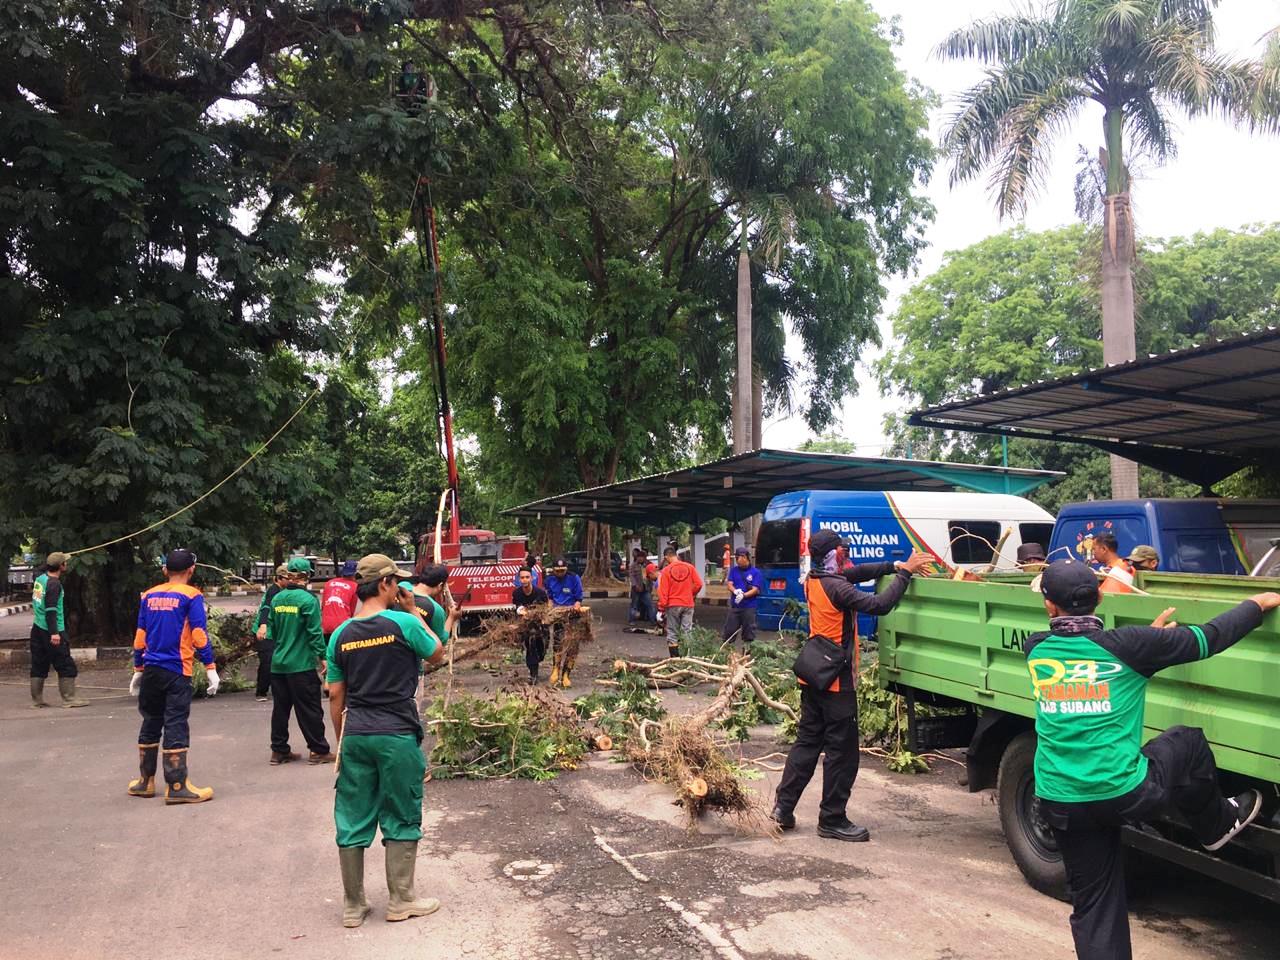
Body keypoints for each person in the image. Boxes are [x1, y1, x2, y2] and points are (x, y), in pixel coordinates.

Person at [1026, 560, 1279, 960]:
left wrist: (1149, 644)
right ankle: (1216, 825)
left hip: (1062, 800)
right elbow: (1209, 638)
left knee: (1095, 905)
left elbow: (1094, 660)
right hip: (1123, 792)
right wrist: (1256, 602)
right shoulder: (1133, 647)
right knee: (1187, 741)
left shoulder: (1036, 648)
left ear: (1049, 607)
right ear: (1101, 597)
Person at [772, 530, 933, 841]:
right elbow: (880, 604)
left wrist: (894, 565)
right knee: (842, 753)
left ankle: (783, 807)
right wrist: (905, 574)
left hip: (813, 674)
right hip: (836, 680)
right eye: (842, 550)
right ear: (833, 554)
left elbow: (855, 573)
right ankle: (832, 818)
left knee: (807, 743)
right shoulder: (837, 587)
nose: (846, 554)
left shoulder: (815, 579)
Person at [327, 554, 452, 927]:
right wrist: (414, 611)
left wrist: (342, 742)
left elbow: (336, 696)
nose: (401, 589)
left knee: (351, 818)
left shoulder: (341, 634)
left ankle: (353, 906)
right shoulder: (402, 623)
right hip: (396, 733)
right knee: (401, 814)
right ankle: (401, 900)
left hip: (357, 735)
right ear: (384, 585)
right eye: (396, 582)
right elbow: (437, 653)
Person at [127, 548, 220, 803]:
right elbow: (199, 635)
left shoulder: (149, 595)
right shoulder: (192, 596)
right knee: (175, 723)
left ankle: (145, 783)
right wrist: (210, 667)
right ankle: (177, 785)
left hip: (151, 670)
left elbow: (140, 637)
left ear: (165, 570)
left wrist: (138, 669)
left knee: (150, 722)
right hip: (177, 670)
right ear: (192, 570)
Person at [266, 558, 333, 765]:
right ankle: (318, 750)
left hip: (278, 664)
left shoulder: (277, 599)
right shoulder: (308, 600)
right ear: (306, 576)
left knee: (281, 709)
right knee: (310, 708)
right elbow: (314, 634)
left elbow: (272, 631)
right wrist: (323, 657)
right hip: (301, 665)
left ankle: (279, 751)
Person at [29, 551, 88, 708]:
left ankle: (37, 701)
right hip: (52, 629)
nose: (66, 564)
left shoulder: (40, 578)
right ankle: (69, 699)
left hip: (37, 628)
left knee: (38, 663)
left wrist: (53, 560)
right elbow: (51, 610)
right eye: (65, 562)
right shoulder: (54, 584)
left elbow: (41, 568)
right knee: (65, 663)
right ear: (61, 566)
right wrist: (55, 633)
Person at [321, 561, 360, 698]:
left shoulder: (329, 583)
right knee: (341, 654)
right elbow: (351, 609)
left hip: (326, 623)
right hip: (342, 625)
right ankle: (335, 684)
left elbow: (323, 605)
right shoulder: (355, 587)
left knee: (328, 653)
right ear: (355, 573)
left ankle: (326, 683)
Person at [657, 545, 702, 659]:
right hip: (688, 604)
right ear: (676, 555)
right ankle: (687, 658)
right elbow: (699, 584)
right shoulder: (690, 567)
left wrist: (661, 608)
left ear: (667, 557)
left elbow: (663, 592)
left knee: (672, 632)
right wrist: (690, 594)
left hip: (673, 605)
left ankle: (675, 659)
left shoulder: (666, 571)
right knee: (687, 631)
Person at [544, 558, 584, 686]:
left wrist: (576, 605)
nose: (560, 573)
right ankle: (555, 669)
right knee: (558, 642)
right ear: (553, 570)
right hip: (558, 615)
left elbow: (578, 598)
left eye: (563, 570)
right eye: (557, 571)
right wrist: (549, 610)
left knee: (573, 645)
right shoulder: (549, 580)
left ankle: (566, 674)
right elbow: (550, 597)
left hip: (573, 615)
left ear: (566, 569)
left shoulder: (574, 578)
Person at [254, 563, 289, 702]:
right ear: (279, 578)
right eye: (287, 578)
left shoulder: (283, 591)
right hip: (265, 631)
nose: (290, 580)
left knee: (278, 660)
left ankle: (279, 689)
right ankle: (261, 692)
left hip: (274, 631)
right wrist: (263, 626)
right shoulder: (273, 591)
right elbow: (266, 609)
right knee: (267, 662)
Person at [511, 567, 550, 683]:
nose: (524, 580)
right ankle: (534, 675)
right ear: (519, 579)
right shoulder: (517, 593)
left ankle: (538, 660)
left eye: (527, 577)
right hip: (526, 626)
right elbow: (517, 608)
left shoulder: (540, 593)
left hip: (540, 626)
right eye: (522, 577)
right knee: (530, 647)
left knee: (541, 650)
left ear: (531, 578)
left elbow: (546, 609)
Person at [723, 547, 762, 649]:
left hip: (749, 607)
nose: (738, 560)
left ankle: (746, 657)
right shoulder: (734, 570)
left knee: (748, 634)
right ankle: (728, 655)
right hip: (735, 607)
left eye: (740, 557)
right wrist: (735, 591)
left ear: (746, 557)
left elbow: (755, 589)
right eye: (736, 558)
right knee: (729, 632)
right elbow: (729, 584)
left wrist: (744, 595)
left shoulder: (755, 572)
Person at [627, 547, 656, 624]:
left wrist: (650, 587)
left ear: (644, 558)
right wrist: (635, 585)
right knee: (634, 605)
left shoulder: (648, 565)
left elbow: (652, 575)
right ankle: (632, 620)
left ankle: (653, 621)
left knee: (650, 605)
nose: (640, 559)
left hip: (646, 589)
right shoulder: (633, 566)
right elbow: (632, 576)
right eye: (639, 557)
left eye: (642, 557)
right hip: (636, 589)